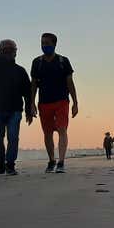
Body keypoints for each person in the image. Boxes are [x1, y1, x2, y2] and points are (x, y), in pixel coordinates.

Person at [0, 39, 33, 175]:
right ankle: (1, 160)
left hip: (15, 110)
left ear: (16, 53)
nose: (10, 52)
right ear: (1, 51)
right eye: (6, 50)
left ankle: (10, 165)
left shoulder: (20, 71)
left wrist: (29, 110)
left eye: (12, 50)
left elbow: (27, 93)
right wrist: (0, 52)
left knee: (13, 137)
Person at [30, 32, 78, 173]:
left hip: (62, 101)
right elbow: (33, 84)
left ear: (54, 44)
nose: (44, 46)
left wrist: (75, 102)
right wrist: (31, 103)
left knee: (62, 130)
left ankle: (61, 162)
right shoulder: (37, 62)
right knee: (48, 133)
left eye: (47, 43)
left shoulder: (63, 61)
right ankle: (51, 160)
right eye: (42, 43)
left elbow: (70, 82)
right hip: (44, 103)